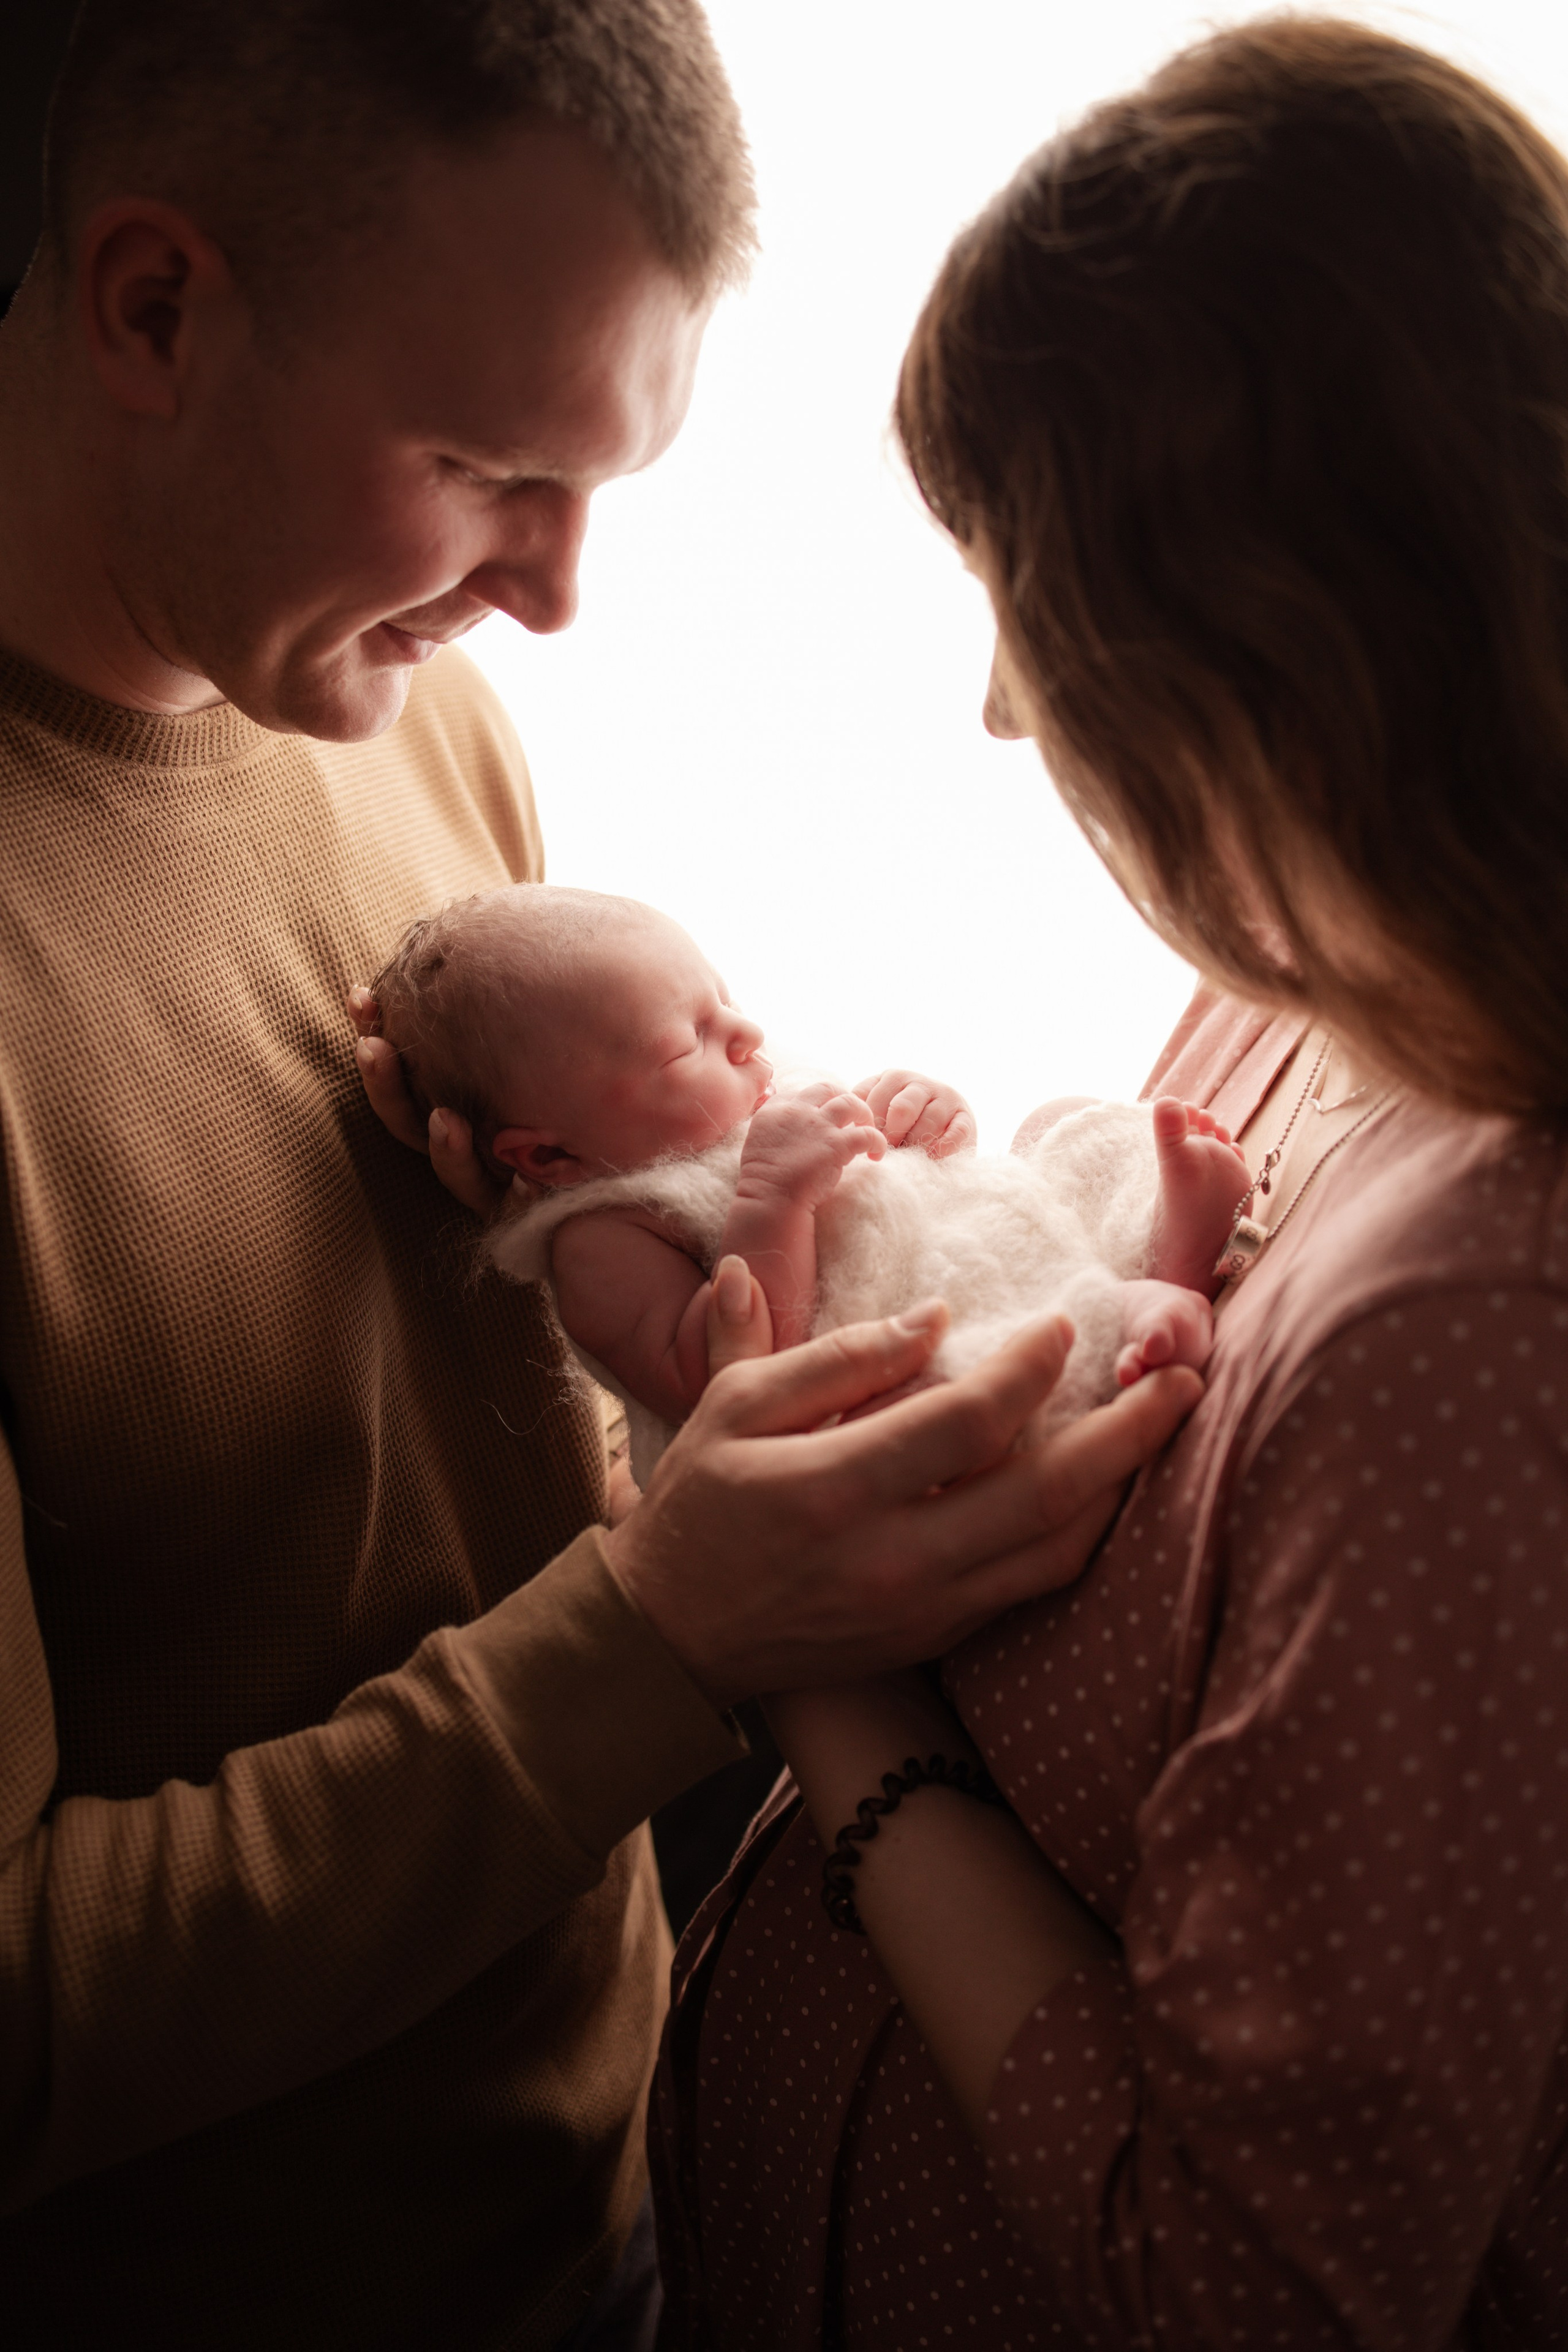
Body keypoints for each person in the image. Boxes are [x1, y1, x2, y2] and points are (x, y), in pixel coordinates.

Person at [0, 5, 1199, 2346]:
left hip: (616, 2183)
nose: (552, 600)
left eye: (596, 486)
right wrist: (675, 1628)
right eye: (476, 467)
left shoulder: (396, 704)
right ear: (154, 305)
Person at [648, 17, 1568, 2346]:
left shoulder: (1477, 1321)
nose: (1002, 715)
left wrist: (832, 1711)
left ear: (1258, 647)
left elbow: (1242, 2292)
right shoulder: (1314, 996)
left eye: (1031, 613)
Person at [369, 881, 1235, 1481]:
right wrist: (774, 1199)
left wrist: (921, 1116)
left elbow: (908, 1180)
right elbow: (732, 1385)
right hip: (879, 1375)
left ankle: (1151, 1253)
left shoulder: (742, 1103)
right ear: (550, 1158)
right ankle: (1154, 1293)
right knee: (960, 1387)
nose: (745, 1033)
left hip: (972, 1253)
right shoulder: (603, 1237)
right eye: (687, 1043)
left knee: (1061, 1127)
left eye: (724, 1001)